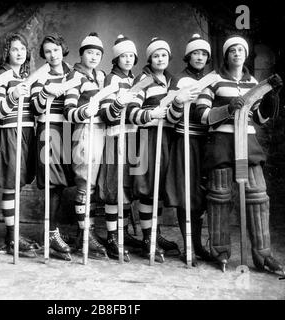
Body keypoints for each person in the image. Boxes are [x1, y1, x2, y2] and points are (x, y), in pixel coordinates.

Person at [195, 35, 285, 274]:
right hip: (223, 146)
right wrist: (226, 108)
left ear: (246, 54)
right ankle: (221, 252)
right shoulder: (213, 81)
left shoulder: (254, 82)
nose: (237, 53)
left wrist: (269, 101)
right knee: (220, 197)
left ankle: (263, 255)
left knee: (256, 196)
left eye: (240, 50)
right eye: (232, 50)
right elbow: (202, 115)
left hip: (245, 148)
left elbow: (259, 119)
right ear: (226, 54)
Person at [125, 38, 197, 262]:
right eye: (156, 55)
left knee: (159, 188)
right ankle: (148, 240)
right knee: (147, 189)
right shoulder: (142, 80)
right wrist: (152, 115)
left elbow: (175, 118)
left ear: (169, 58)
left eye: (163, 55)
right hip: (146, 137)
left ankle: (155, 234)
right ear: (149, 59)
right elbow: (131, 112)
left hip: (167, 138)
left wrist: (177, 104)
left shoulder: (174, 81)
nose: (160, 59)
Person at [166, 34, 213, 265]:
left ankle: (197, 245)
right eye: (196, 53)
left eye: (204, 53)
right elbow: (171, 116)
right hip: (185, 140)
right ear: (188, 55)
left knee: (202, 196)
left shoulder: (212, 80)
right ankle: (187, 246)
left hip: (207, 142)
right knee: (186, 193)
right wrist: (178, 100)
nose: (200, 57)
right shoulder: (179, 80)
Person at [0, 33, 38, 258]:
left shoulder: (25, 76)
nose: (19, 53)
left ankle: (14, 233)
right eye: (14, 49)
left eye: (22, 49)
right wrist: (13, 96)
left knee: (17, 185)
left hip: (26, 131)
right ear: (6, 52)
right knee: (10, 185)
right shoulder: (2, 75)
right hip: (10, 132)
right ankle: (11, 236)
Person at [63, 32, 108, 260]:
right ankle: (84, 233)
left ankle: (86, 233)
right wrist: (83, 112)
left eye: (98, 53)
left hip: (102, 131)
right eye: (90, 52)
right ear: (81, 54)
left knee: (93, 186)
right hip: (85, 130)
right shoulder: (74, 76)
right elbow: (68, 110)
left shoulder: (101, 76)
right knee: (85, 183)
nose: (94, 56)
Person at [30, 34, 74, 261]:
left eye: (56, 49)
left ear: (62, 49)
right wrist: (47, 93)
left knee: (62, 185)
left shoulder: (73, 73)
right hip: (48, 130)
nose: (52, 55)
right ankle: (51, 234)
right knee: (51, 183)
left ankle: (53, 231)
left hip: (67, 130)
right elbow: (35, 109)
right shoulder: (40, 75)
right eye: (47, 51)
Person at [98, 34, 140, 260]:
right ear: (116, 59)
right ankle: (113, 237)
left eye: (131, 55)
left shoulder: (136, 80)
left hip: (133, 137)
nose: (127, 59)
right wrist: (117, 103)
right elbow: (105, 114)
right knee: (114, 188)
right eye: (123, 56)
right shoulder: (110, 80)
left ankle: (123, 233)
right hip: (115, 136)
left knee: (127, 187)